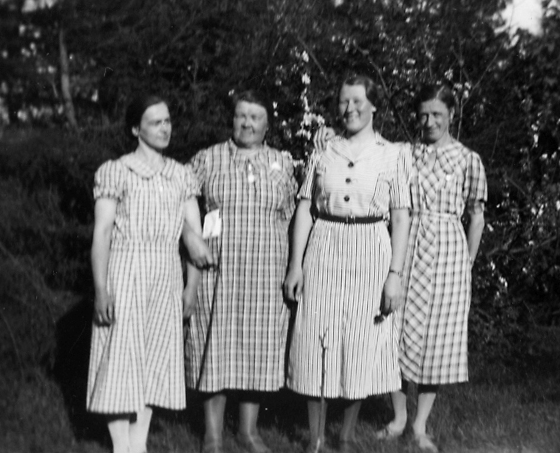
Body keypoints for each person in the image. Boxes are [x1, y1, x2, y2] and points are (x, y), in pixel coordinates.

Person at [284, 74, 411, 453]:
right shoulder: (324, 150)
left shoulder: (394, 154)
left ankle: (345, 436)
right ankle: (316, 439)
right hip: (325, 244)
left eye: (357, 101)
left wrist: (394, 275)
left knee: (360, 340)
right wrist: (295, 264)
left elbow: (401, 217)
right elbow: (304, 208)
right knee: (314, 337)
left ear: (374, 106)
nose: (350, 108)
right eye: (343, 101)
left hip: (371, 248)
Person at [87, 94, 212, 453]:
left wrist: (191, 288)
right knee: (120, 357)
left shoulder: (181, 175)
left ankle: (138, 444)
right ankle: (120, 445)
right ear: (135, 129)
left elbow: (194, 237)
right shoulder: (116, 171)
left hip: (166, 272)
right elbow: (102, 233)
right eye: (155, 122)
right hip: (125, 270)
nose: (164, 128)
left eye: (167, 120)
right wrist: (101, 288)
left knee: (154, 357)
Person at [184, 90, 298, 453]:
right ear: (232, 119)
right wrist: (191, 237)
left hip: (266, 272)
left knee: (258, 349)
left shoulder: (282, 162)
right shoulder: (208, 158)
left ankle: (249, 432)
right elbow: (179, 202)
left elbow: (291, 216)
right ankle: (213, 435)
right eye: (241, 116)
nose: (247, 123)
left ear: (267, 124)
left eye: (255, 117)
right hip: (220, 271)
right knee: (215, 346)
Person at [377, 84, 487, 452]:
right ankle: (398, 417)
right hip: (406, 245)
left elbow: (476, 216)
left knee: (437, 340)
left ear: (451, 114)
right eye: (423, 114)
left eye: (437, 114)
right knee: (393, 331)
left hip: (448, 254)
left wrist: (467, 263)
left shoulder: (468, 159)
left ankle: (420, 425)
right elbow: (370, 147)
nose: (429, 122)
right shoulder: (405, 153)